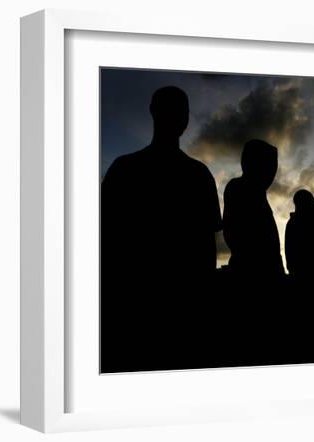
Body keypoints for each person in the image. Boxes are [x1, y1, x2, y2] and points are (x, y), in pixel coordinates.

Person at [100, 86, 222, 372]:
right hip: (134, 310)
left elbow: (207, 249)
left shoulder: (199, 175)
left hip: (184, 311)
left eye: (183, 109)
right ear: (154, 111)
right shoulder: (125, 170)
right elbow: (107, 240)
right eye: (175, 108)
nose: (179, 115)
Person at [222, 139, 285, 283]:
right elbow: (232, 233)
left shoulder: (259, 195)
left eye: (273, 166)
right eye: (268, 165)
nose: (272, 173)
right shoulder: (237, 188)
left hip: (268, 273)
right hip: (251, 274)